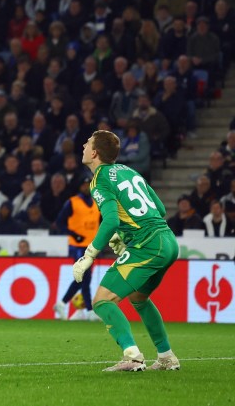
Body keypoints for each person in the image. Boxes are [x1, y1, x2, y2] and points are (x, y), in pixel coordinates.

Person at [73, 130, 181, 371]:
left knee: (102, 300)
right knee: (139, 298)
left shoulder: (99, 178)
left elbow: (110, 220)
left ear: (95, 152)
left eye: (87, 142)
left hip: (148, 244)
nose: (83, 145)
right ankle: (166, 357)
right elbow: (160, 209)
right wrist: (123, 234)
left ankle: (132, 356)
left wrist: (89, 254)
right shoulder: (129, 171)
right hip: (168, 241)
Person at [53, 176, 100, 321]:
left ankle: (62, 303)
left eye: (89, 184)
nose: (87, 187)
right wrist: (74, 234)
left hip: (91, 245)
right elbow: (59, 222)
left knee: (83, 278)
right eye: (84, 185)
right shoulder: (72, 202)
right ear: (79, 186)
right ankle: (90, 310)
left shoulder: (97, 202)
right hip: (77, 245)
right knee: (85, 275)